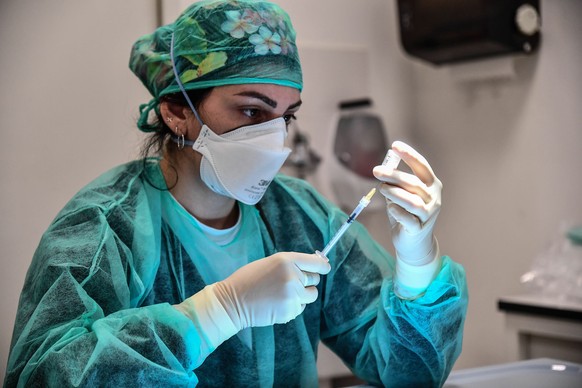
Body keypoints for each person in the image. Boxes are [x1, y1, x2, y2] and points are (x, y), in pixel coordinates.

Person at [4, 0, 468, 386]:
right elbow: (46, 375)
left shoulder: (300, 216)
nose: (273, 140)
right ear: (176, 113)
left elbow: (410, 376)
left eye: (285, 117)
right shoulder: (105, 227)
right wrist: (215, 312)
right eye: (251, 111)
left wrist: (417, 267)